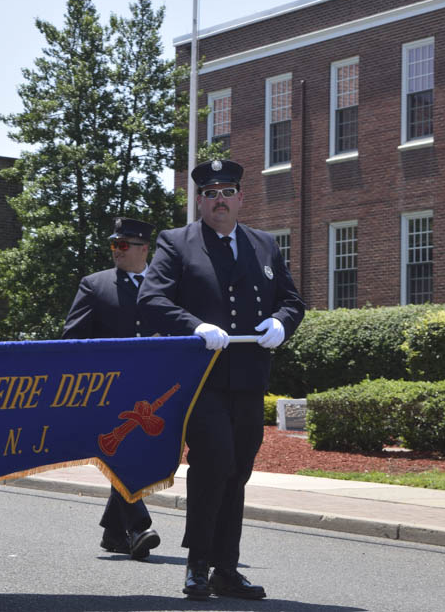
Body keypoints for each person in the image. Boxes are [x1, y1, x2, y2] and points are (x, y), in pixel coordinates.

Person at [137, 159, 304, 601]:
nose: (220, 200)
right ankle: (197, 565)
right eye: (210, 193)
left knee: (239, 470)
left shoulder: (264, 245)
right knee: (214, 463)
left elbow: (292, 299)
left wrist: (282, 323)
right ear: (199, 200)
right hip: (200, 378)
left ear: (241, 198)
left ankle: (226, 569)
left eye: (227, 191)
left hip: (249, 377)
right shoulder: (177, 243)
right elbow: (151, 298)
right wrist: (193, 325)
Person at [62, 217, 161, 561]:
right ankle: (138, 525)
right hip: (112, 389)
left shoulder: (167, 284)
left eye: (124, 245)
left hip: (157, 387)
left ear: (144, 248)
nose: (116, 251)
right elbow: (72, 337)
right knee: (125, 453)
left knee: (143, 454)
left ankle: (113, 532)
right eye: (113, 245)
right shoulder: (95, 284)